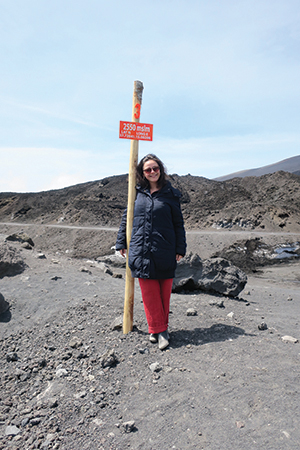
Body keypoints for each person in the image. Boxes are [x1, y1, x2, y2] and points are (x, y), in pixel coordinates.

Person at [115, 154, 186, 350]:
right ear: (142, 173)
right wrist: (121, 241)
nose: (152, 172)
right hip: (141, 248)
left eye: (155, 168)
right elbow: (126, 218)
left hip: (165, 248)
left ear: (161, 170)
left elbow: (178, 223)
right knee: (149, 293)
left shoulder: (171, 194)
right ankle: (159, 330)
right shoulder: (135, 193)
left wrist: (180, 248)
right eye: (148, 169)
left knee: (164, 292)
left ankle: (158, 329)